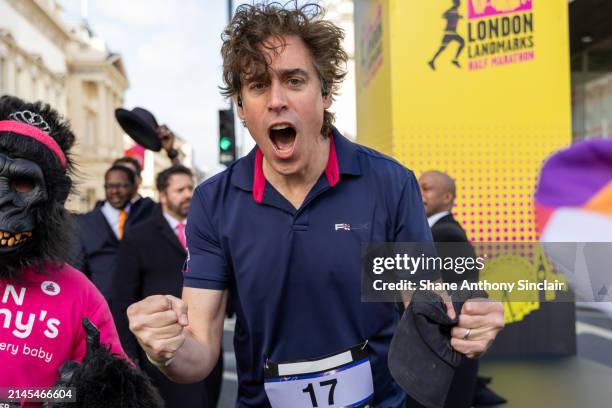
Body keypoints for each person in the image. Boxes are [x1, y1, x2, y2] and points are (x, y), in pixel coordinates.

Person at [127, 3, 504, 407]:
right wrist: (163, 348)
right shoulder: (214, 201)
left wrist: (463, 327)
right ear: (240, 108)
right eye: (257, 86)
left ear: (324, 93)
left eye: (293, 80)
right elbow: (198, 355)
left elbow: (424, 306)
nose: (276, 101)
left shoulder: (389, 184)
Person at [0, 95, 129, 404]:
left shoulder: (80, 295)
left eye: (22, 184)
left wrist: (90, 396)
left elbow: (124, 393)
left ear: (54, 198)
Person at [111, 165, 223, 408]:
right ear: (162, 195)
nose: (187, 194)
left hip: (208, 357)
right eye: (179, 189)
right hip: (162, 358)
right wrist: (130, 362)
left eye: (190, 188)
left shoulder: (211, 231)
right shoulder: (138, 236)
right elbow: (122, 300)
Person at [418, 170, 481, 408]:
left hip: (443, 357)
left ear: (447, 197)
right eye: (417, 188)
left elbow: (452, 302)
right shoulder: (432, 233)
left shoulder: (447, 236)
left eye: (426, 188)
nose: (419, 194)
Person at [74, 165, 140, 301]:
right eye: (110, 186)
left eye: (122, 186)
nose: (115, 191)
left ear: (134, 187)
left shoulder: (146, 216)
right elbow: (77, 268)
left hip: (138, 305)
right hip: (99, 305)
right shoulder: (84, 223)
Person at [113, 156, 157, 225]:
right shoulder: (100, 212)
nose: (123, 179)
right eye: (119, 174)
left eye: (129, 174)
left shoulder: (152, 211)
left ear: (139, 180)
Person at [428, 0, 465, 70]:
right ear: (455, 3)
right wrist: (452, 17)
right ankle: (454, 60)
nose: (459, 4)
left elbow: (453, 16)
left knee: (442, 48)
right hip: (450, 32)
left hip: (451, 33)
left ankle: (432, 61)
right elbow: (444, 15)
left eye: (459, 3)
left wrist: (458, 17)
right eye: (458, 3)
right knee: (462, 42)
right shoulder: (452, 10)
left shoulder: (455, 10)